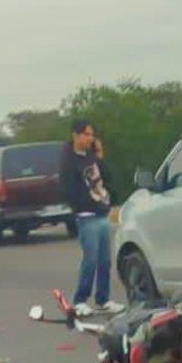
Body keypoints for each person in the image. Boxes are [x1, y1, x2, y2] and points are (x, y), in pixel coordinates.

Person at [61, 118, 124, 317]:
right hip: (86, 215)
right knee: (91, 260)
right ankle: (80, 300)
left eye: (91, 135)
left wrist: (99, 155)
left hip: (101, 211)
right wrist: (81, 205)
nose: (90, 138)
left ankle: (103, 299)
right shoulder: (68, 159)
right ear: (76, 135)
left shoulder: (90, 155)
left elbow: (107, 176)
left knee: (105, 260)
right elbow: (68, 188)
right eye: (86, 134)